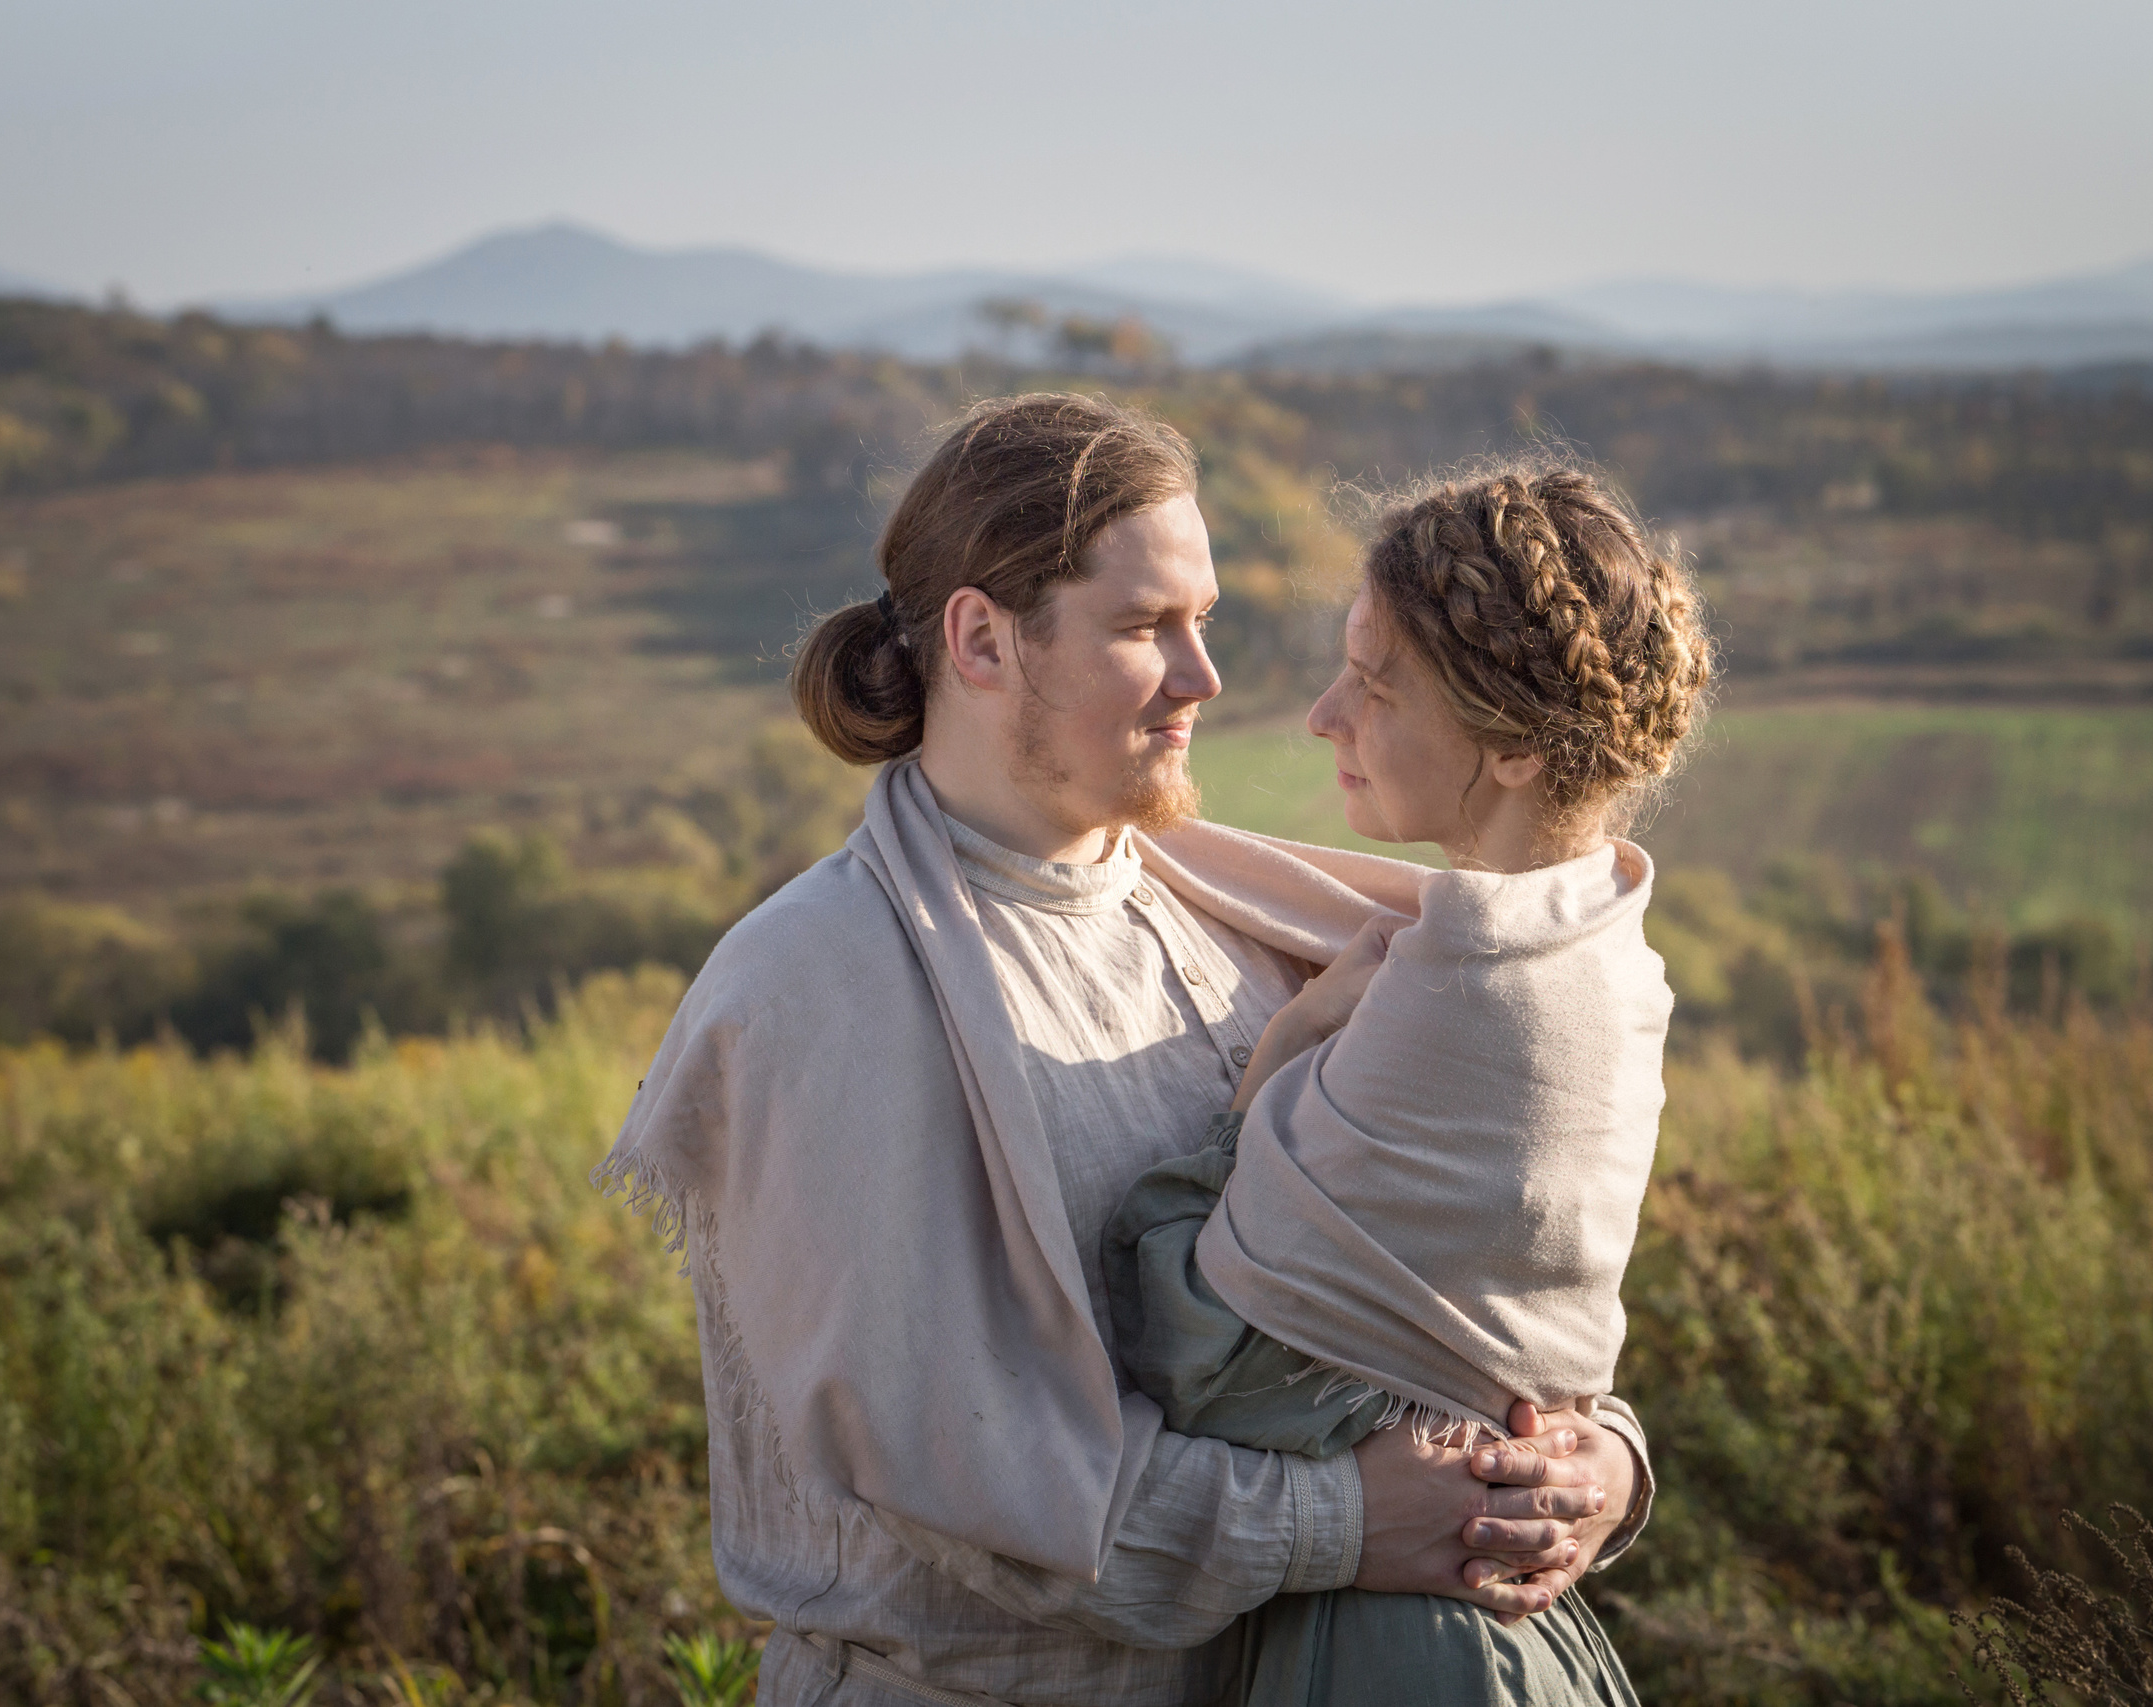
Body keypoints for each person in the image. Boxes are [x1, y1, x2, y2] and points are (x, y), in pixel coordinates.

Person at [595, 395, 1654, 1707]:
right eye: (1148, 627)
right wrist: (1336, 1521)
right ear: (981, 638)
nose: (1205, 675)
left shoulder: (1273, 928)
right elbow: (970, 1481)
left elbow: (1435, 1296)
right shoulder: (818, 985)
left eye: (1203, 619)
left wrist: (1585, 1465)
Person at [1104, 460, 1711, 1704]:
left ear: (1516, 750)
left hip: (1415, 1655)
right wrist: (1607, 1458)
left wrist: (1273, 1064)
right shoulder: (1606, 943)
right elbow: (1520, 1348)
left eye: (1376, 686)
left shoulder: (1463, 990)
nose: (1325, 716)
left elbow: (1199, 1351)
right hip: (1515, 1636)